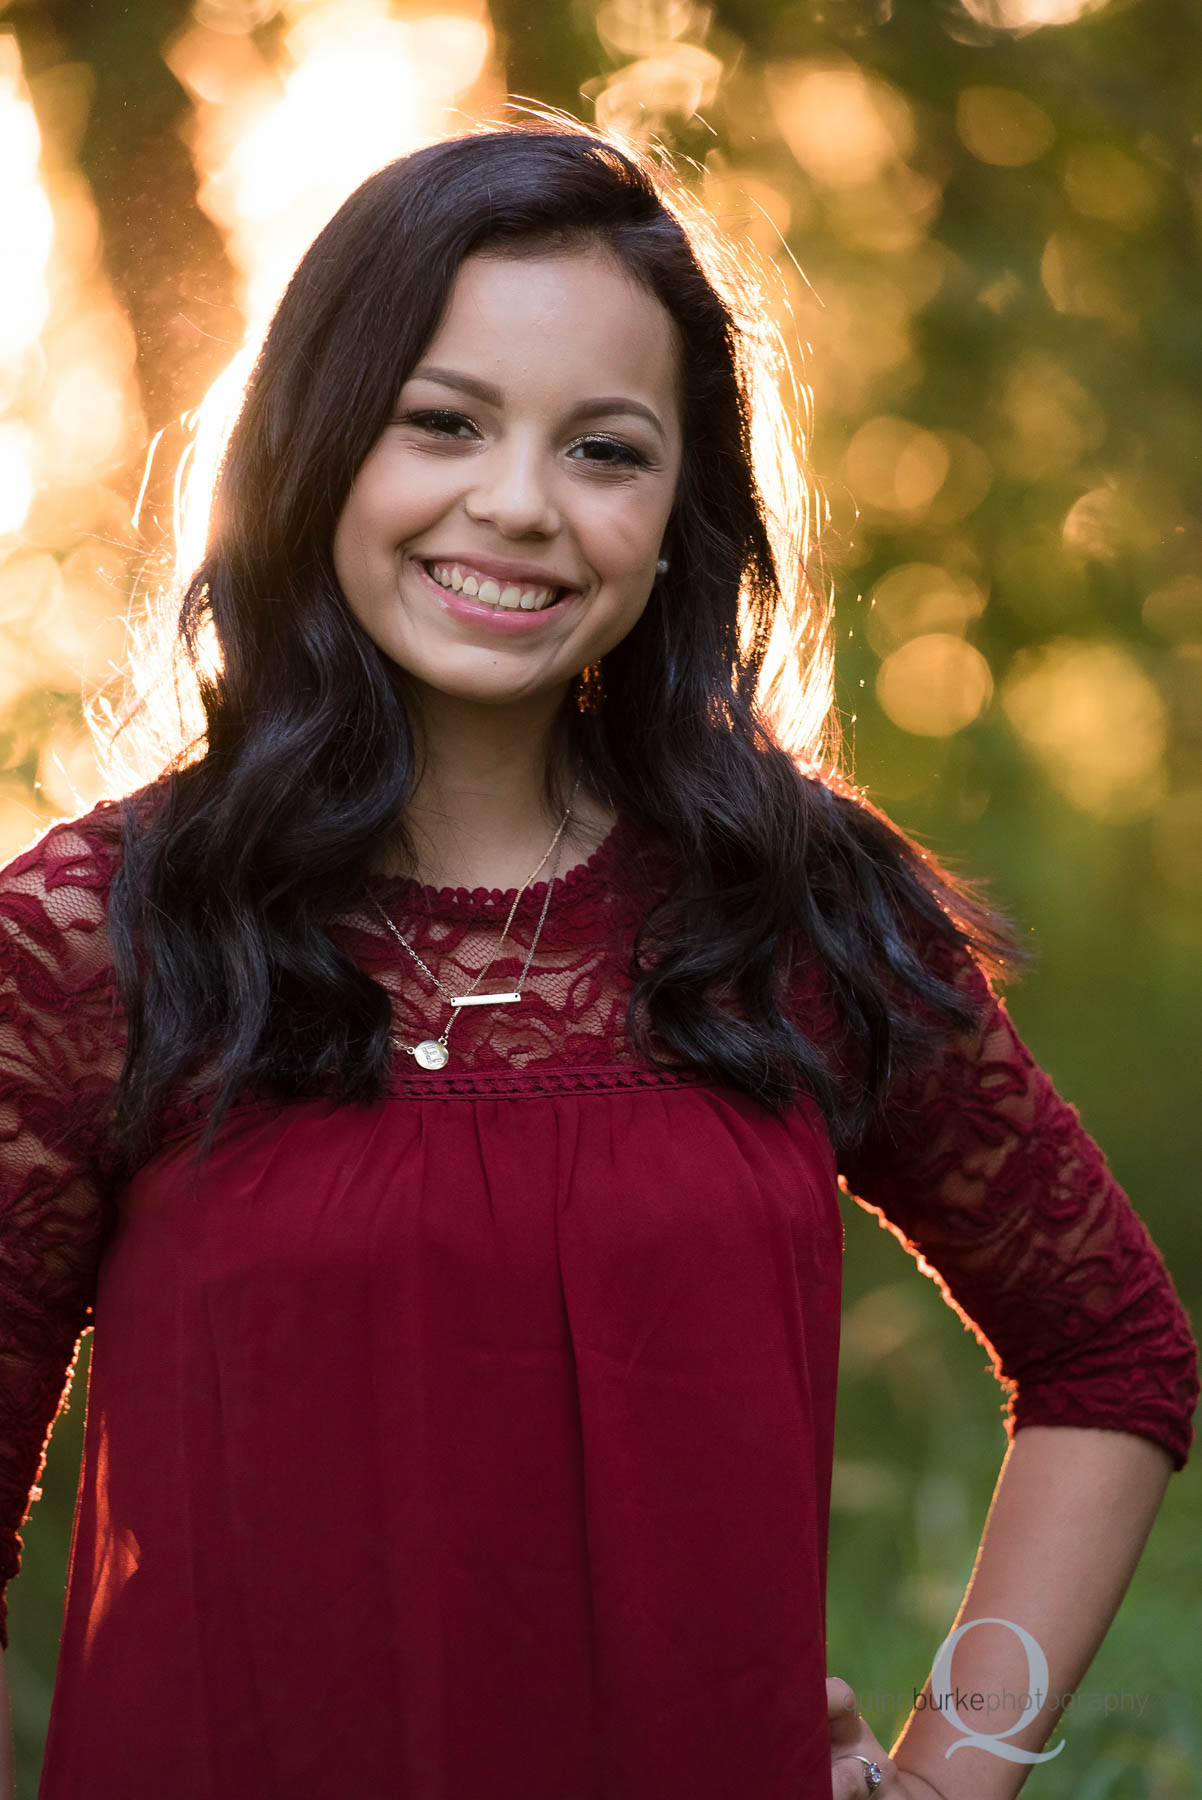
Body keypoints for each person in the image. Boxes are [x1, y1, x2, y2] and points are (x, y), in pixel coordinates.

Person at [0, 119, 1195, 1800]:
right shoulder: (95, 937)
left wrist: (949, 1774)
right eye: (443, 422)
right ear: (317, 442)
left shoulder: (789, 914)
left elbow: (1111, 1351)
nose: (517, 505)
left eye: (605, 451)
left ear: (678, 514)